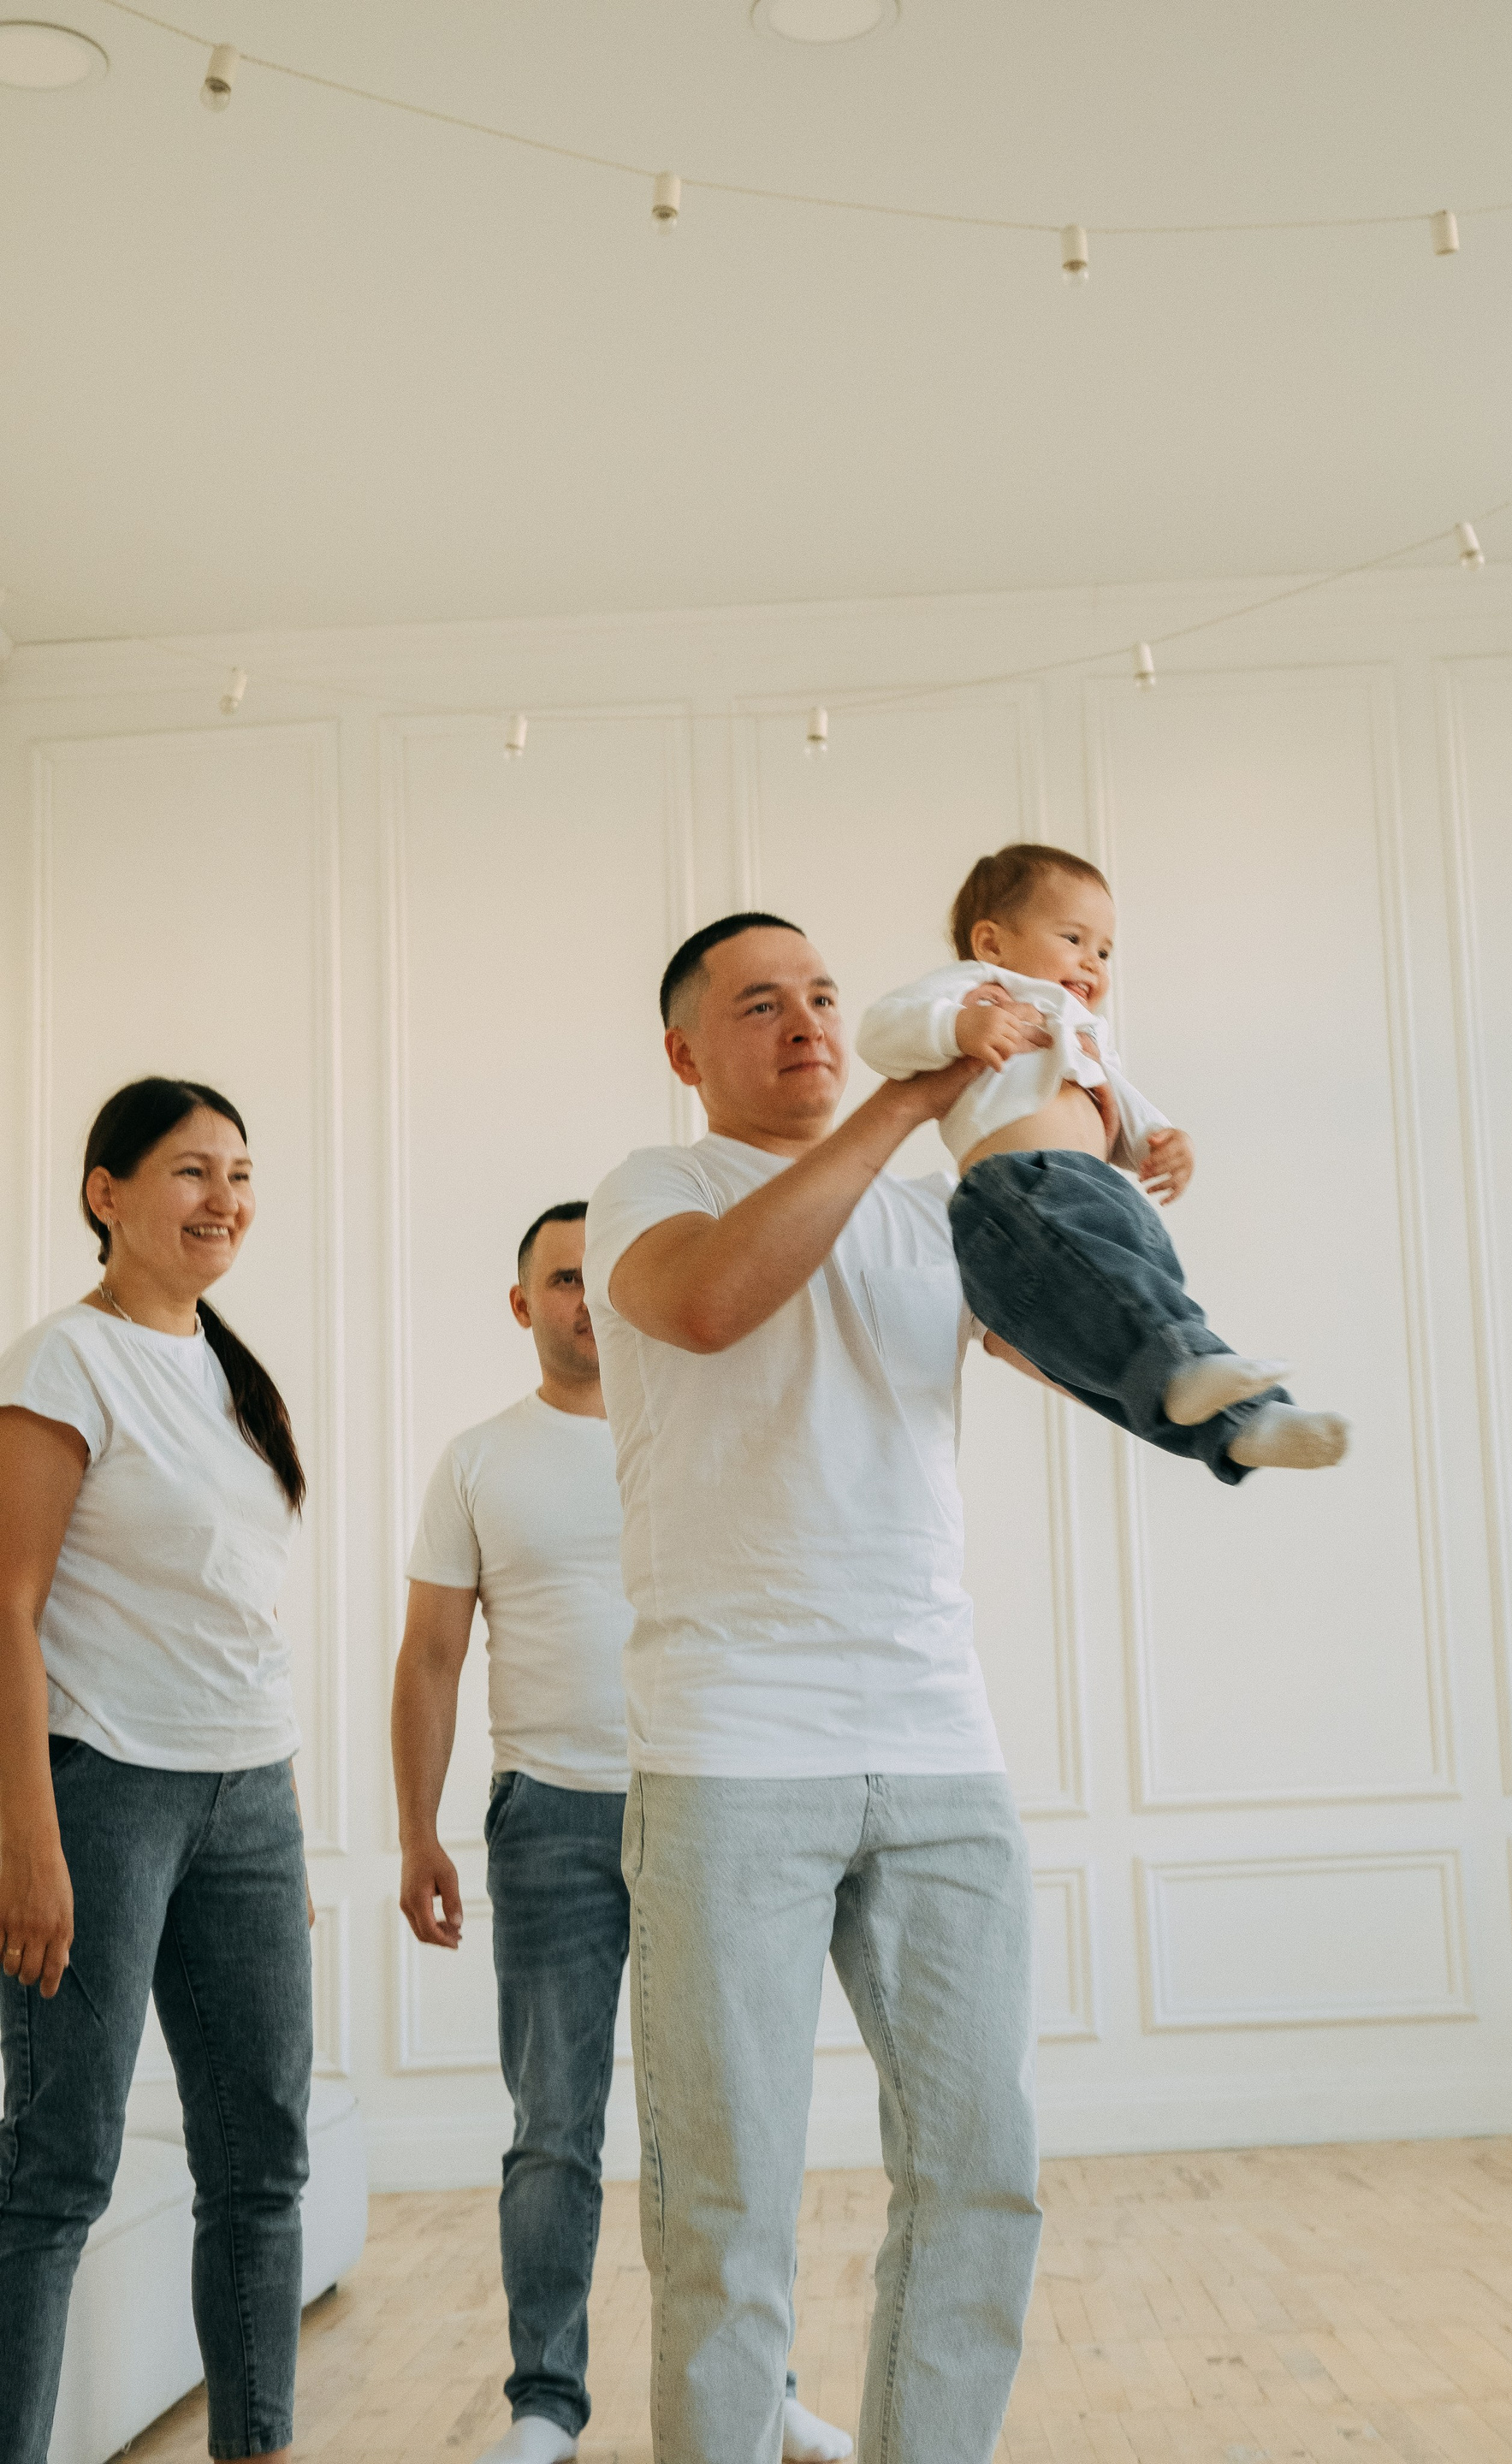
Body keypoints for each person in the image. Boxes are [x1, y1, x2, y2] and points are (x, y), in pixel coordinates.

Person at [583, 912, 1045, 2464]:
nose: (809, 1022)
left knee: (983, 2175)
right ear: (684, 1052)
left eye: (827, 996)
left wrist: (1112, 1172)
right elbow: (714, 1304)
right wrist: (905, 1103)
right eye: (760, 1004)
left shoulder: (933, 1215)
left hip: (939, 1742)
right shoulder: (655, 1190)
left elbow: (1078, 1345)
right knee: (725, 2210)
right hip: (732, 1756)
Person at [391, 1202, 852, 2464]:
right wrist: (417, 1831)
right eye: (562, 1280)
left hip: (709, 1804)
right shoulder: (479, 1461)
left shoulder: (706, 1431)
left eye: (605, 1275)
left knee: (726, 2120)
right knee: (554, 2128)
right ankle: (545, 2406)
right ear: (522, 1304)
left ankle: (761, 2389)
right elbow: (430, 1656)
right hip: (548, 1817)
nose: (589, 1299)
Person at [0, 1077, 313, 2464]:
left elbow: (231, 1608)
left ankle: (259, 2449)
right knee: (58, 2166)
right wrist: (27, 1842)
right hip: (102, 1790)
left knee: (261, 2164)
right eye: (191, 1171)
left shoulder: (234, 1375)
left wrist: (273, 1836)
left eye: (240, 1174)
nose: (224, 1199)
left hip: (251, 1796)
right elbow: (6, 1604)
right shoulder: (63, 1362)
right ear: (105, 1192)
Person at [857, 843, 1349, 1484]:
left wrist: (1159, 1139)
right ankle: (1197, 1383)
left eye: (1106, 952)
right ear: (991, 942)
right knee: (1137, 1314)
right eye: (1073, 939)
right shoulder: (980, 990)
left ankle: (1243, 1428)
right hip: (1016, 1193)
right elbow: (881, 1031)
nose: (1092, 962)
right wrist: (958, 1030)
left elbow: (1118, 1097)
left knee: (1131, 1325)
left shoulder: (1085, 1030)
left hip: (1095, 1195)